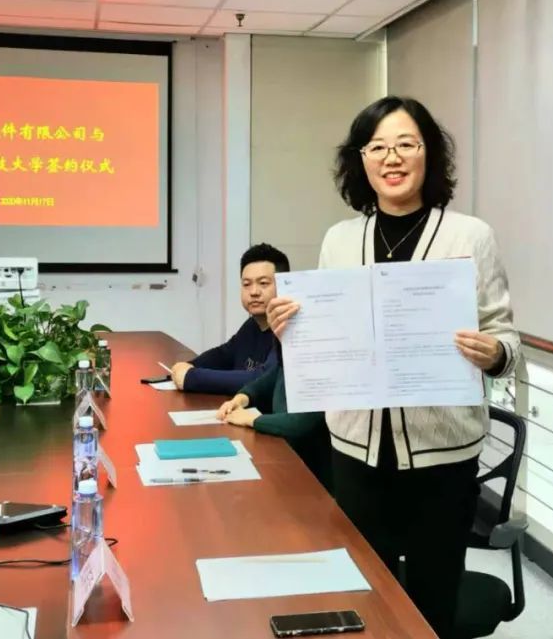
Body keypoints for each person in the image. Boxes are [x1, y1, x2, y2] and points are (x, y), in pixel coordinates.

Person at [267, 96, 520, 638]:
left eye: (407, 144)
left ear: (430, 154)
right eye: (377, 146)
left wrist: (495, 353)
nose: (392, 157)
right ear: (360, 160)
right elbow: (329, 334)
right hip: (355, 452)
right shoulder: (340, 239)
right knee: (362, 596)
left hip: (443, 457)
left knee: (432, 600)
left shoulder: (470, 236)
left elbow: (505, 334)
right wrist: (291, 328)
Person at [168, 243, 289, 394]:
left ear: (285, 285)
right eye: (246, 284)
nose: (254, 292)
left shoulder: (288, 329)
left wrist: (191, 377)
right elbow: (224, 354)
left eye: (263, 283)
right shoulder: (252, 324)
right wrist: (189, 366)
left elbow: (261, 380)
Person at [215, 356, 331, 490]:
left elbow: (301, 422)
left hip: (314, 477)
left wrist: (253, 420)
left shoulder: (323, 367)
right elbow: (262, 384)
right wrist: (239, 400)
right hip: (284, 461)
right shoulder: (287, 362)